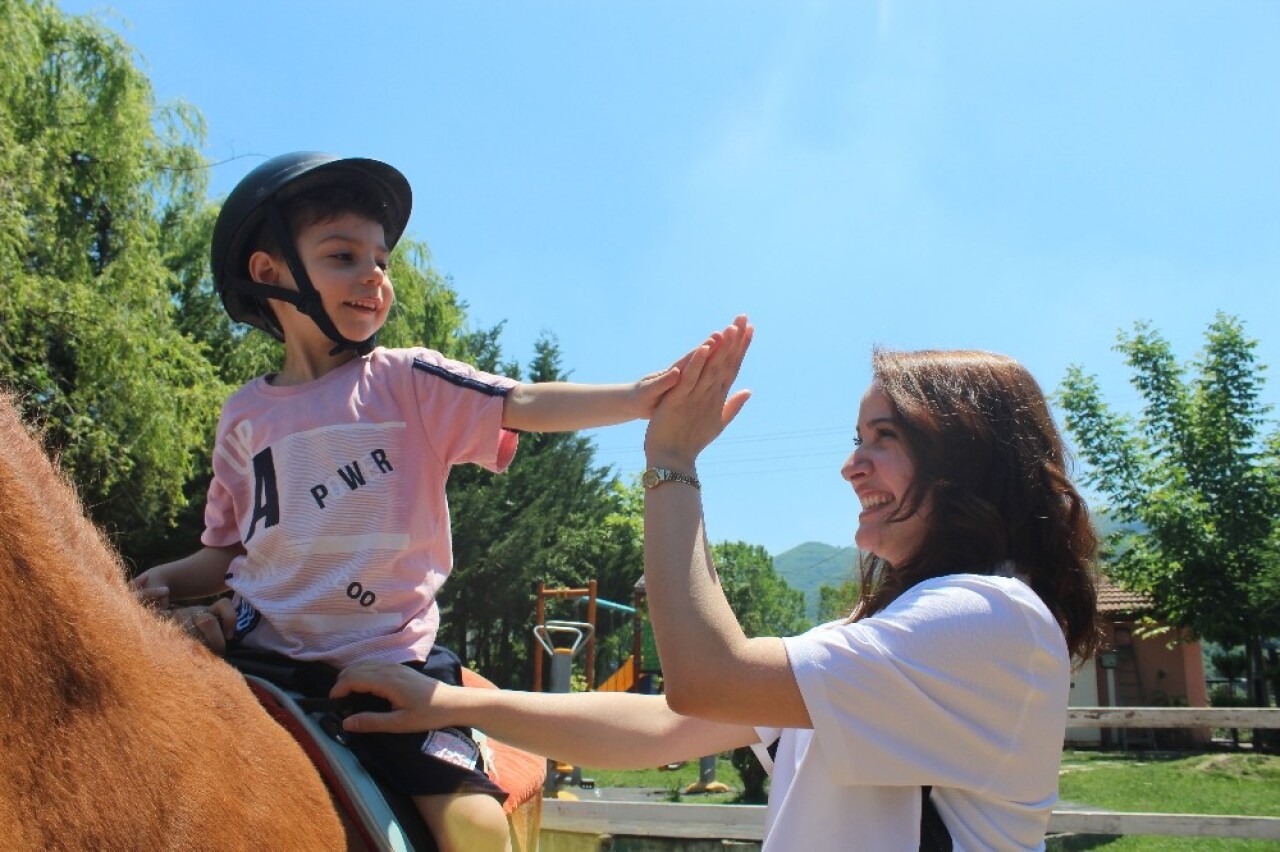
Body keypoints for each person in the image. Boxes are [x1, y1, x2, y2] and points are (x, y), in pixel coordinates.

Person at [332, 315, 1101, 851]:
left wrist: (672, 462)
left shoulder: (985, 619)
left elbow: (706, 678)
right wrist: (454, 704)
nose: (851, 464)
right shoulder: (890, 638)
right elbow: (669, 726)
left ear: (968, 461)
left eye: (886, 439)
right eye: (856, 438)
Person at [130, 152, 708, 852]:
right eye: (344, 255)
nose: (374, 275)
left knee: (475, 830)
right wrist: (163, 580)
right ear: (269, 272)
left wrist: (636, 400)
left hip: (388, 666)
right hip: (261, 654)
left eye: (381, 259)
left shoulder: (408, 382)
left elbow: (519, 401)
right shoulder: (243, 417)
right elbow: (225, 552)